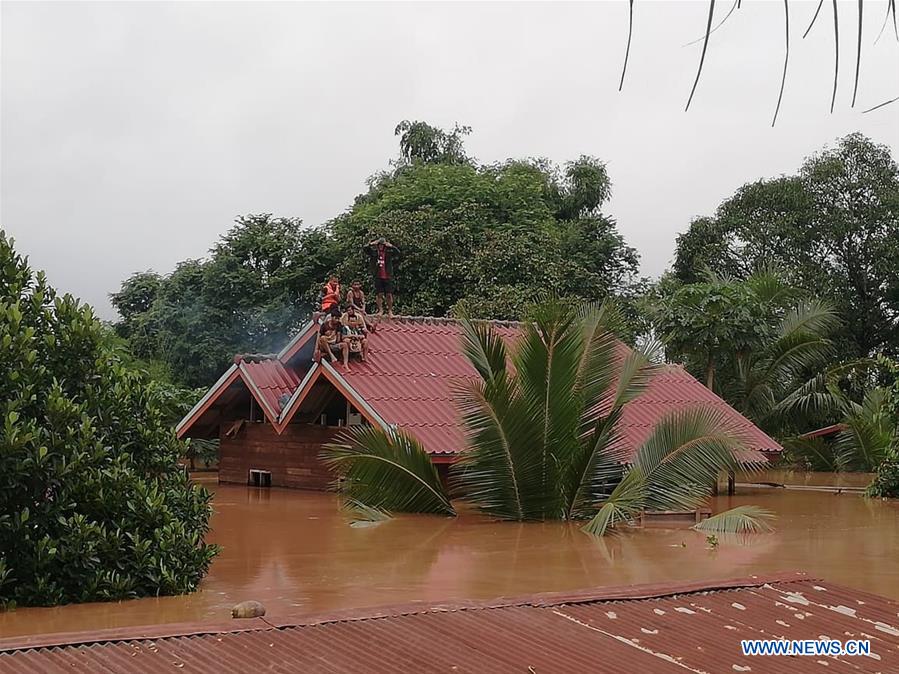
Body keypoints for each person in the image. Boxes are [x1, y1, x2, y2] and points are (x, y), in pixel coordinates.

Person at [364, 238, 400, 317]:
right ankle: (380, 310)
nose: (380, 246)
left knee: (389, 294)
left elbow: (397, 252)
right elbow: (365, 249)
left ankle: (390, 311)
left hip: (387, 276)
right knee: (379, 294)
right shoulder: (374, 253)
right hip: (378, 276)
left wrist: (391, 246)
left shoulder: (388, 253)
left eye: (382, 245)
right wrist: (371, 243)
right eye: (379, 245)